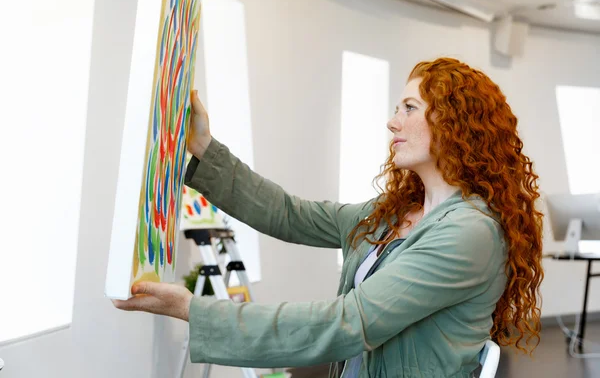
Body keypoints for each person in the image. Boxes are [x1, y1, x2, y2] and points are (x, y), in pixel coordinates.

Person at [113, 57, 544, 377]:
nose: (392, 122)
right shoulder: (394, 212)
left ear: (455, 123)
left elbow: (350, 322)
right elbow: (291, 214)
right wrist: (205, 149)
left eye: (409, 108)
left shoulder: (469, 232)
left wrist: (195, 311)